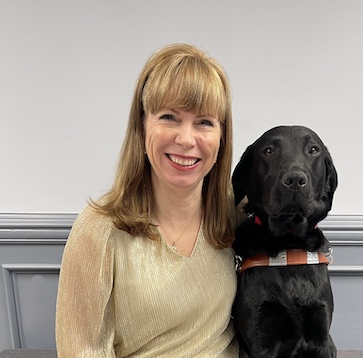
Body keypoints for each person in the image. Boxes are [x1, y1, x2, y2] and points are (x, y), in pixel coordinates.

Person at [55, 43, 239, 357]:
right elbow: (82, 350)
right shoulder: (98, 229)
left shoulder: (233, 215)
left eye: (205, 122)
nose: (186, 139)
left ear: (221, 137)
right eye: (169, 117)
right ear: (142, 128)